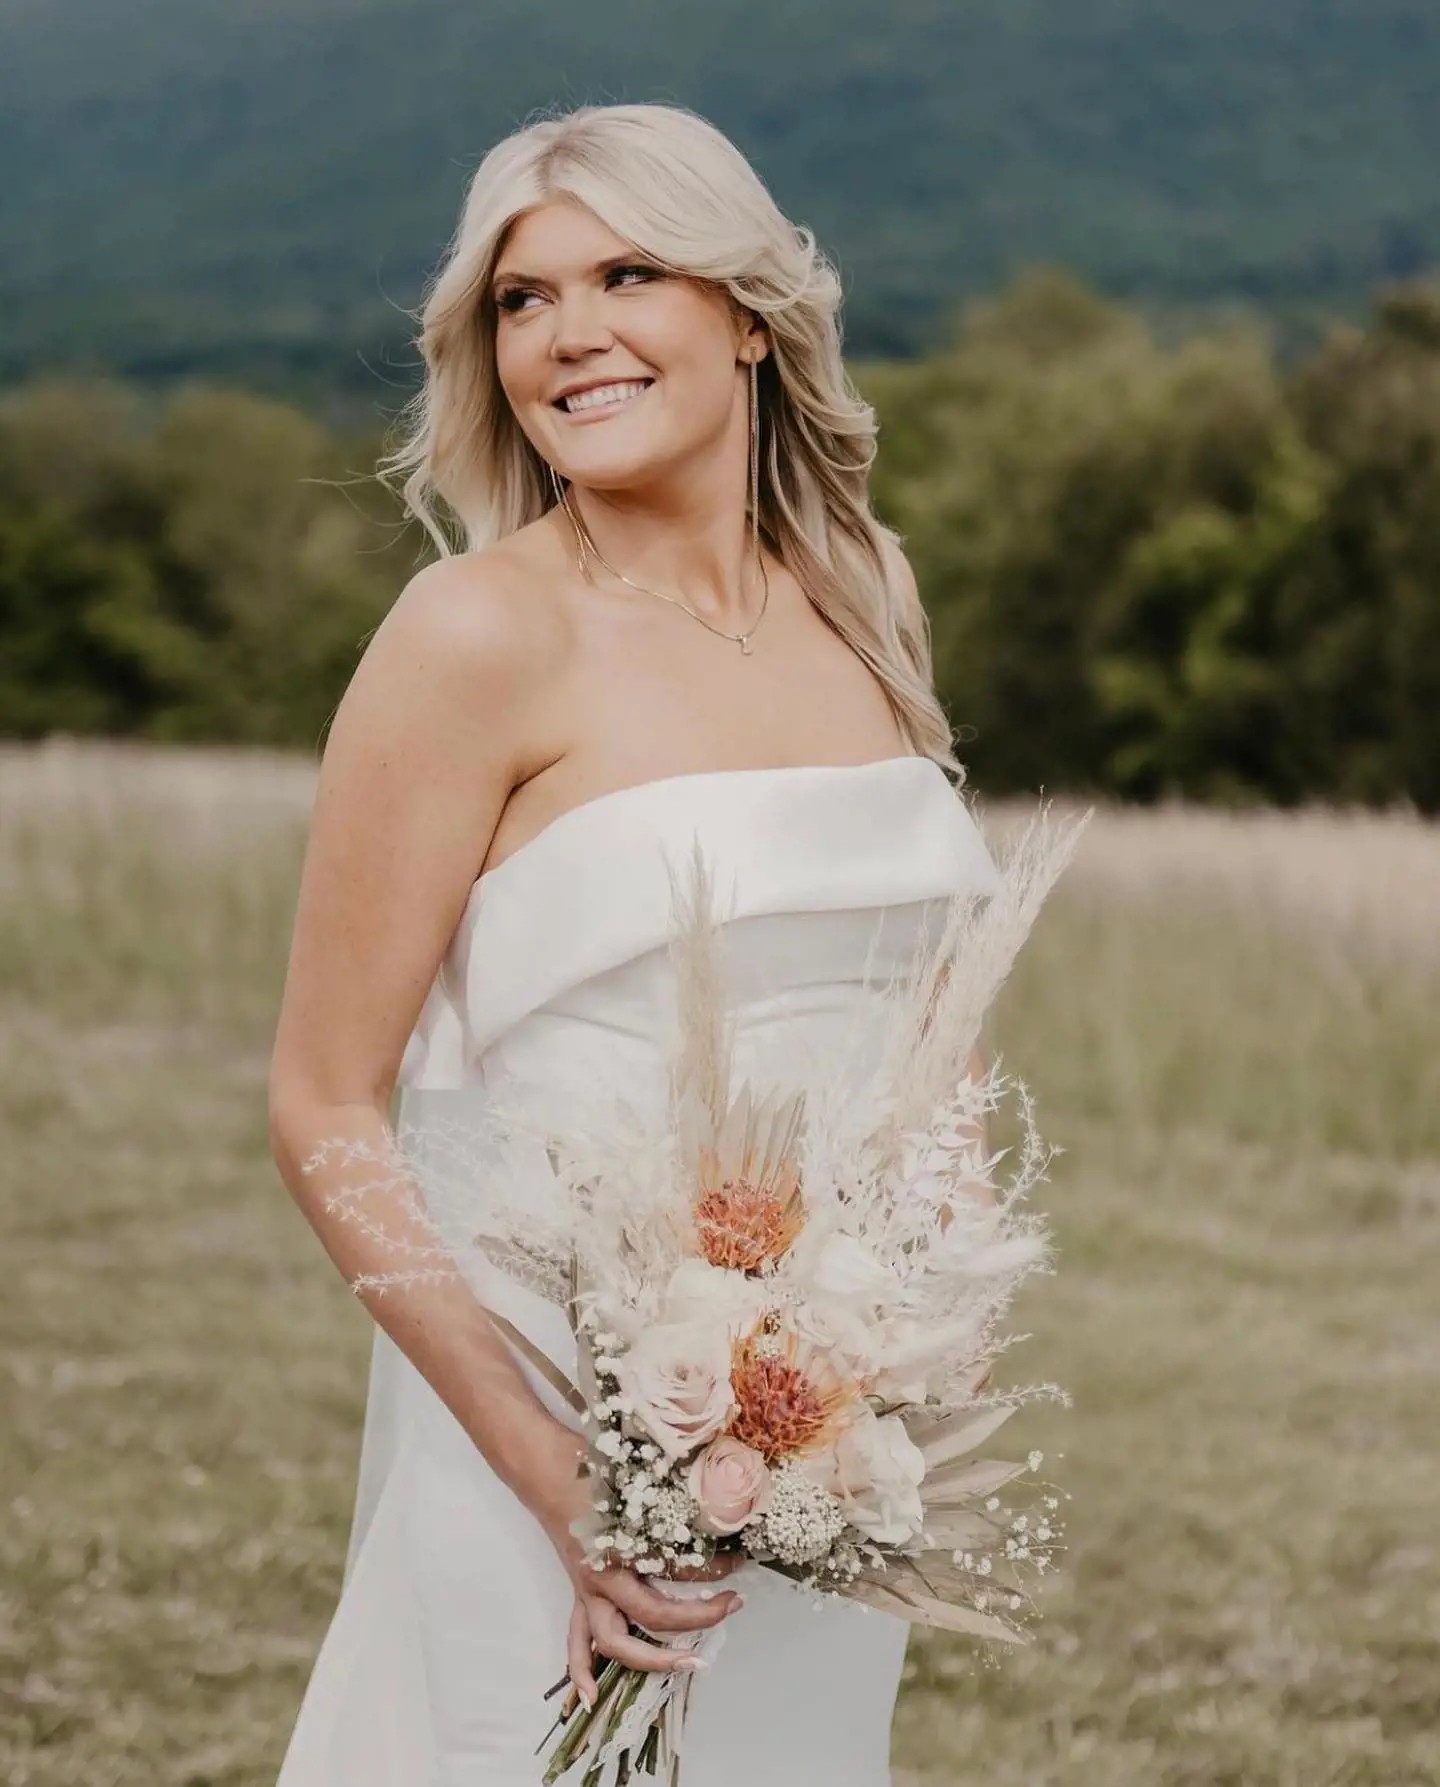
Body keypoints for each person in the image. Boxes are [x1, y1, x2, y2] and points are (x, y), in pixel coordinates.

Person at [267, 100, 1001, 1786]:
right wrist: (564, 1475)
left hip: (818, 1435)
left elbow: (927, 1039)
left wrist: (899, 1350)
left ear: (748, 315)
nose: (568, 334)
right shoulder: (475, 635)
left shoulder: (862, 596)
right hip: (559, 1421)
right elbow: (323, 1101)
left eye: (629, 273)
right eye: (522, 300)